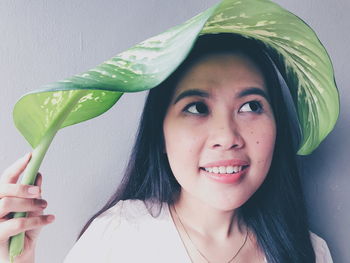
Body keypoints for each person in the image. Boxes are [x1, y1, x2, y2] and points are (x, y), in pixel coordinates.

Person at [0, 33, 334, 262]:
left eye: (250, 106)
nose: (227, 136)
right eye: (197, 108)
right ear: (160, 134)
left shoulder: (310, 252)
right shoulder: (118, 235)